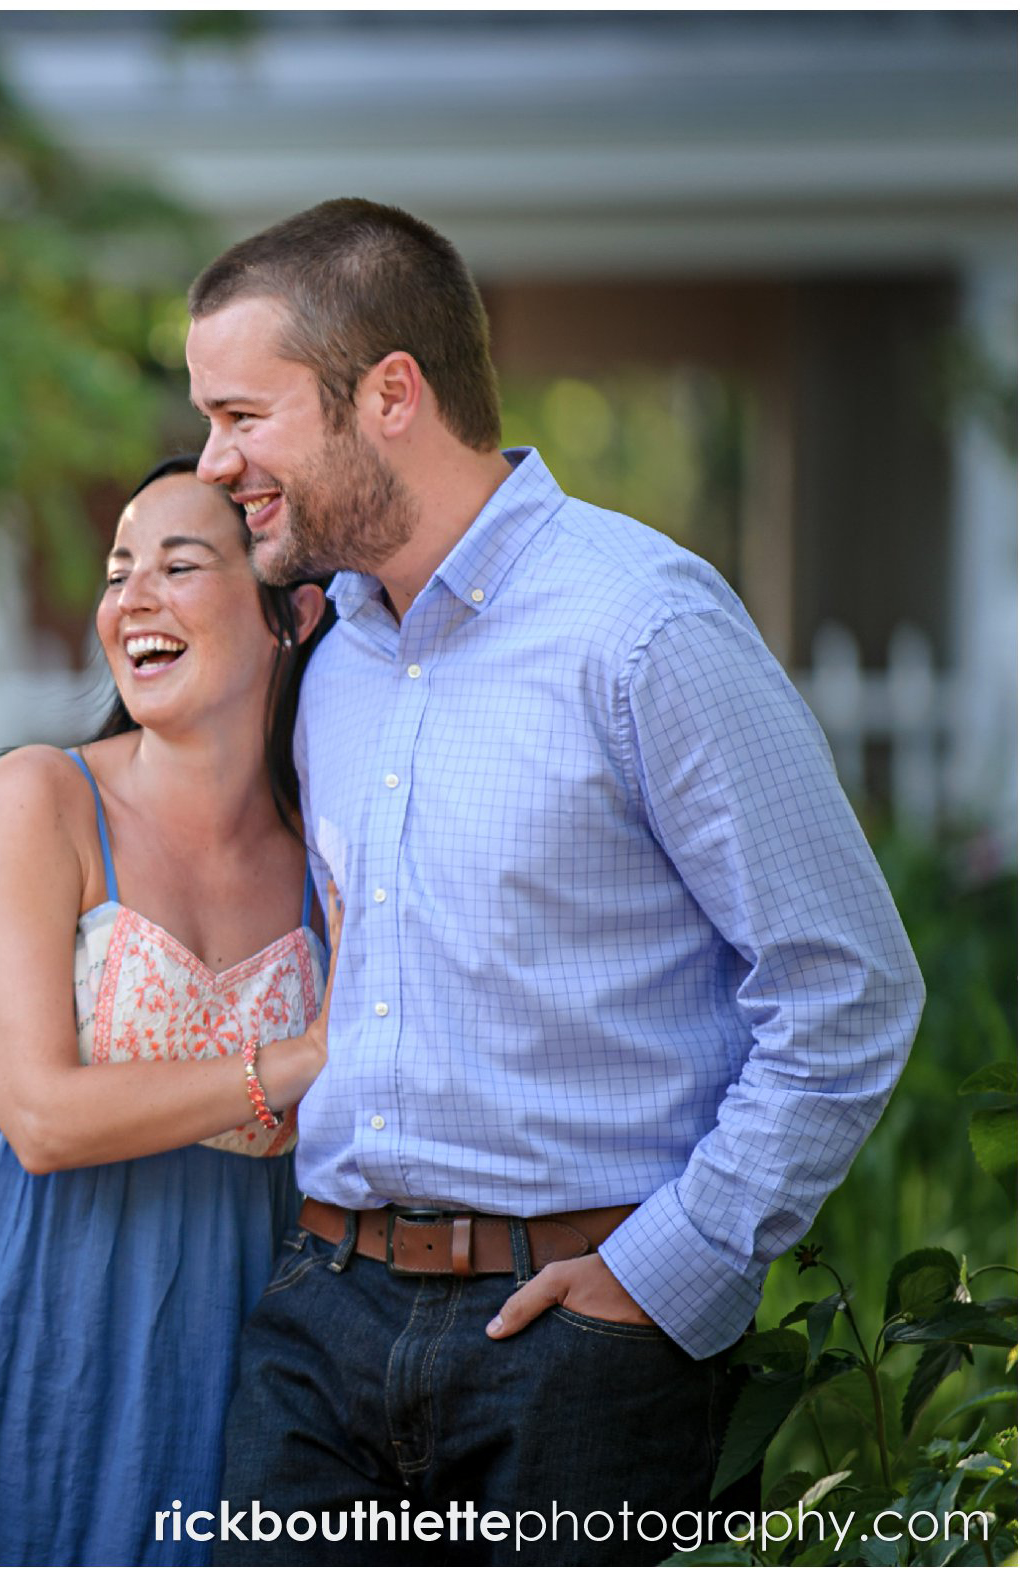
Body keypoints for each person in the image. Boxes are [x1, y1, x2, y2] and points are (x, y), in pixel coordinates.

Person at [176, 199, 925, 1565]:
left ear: (389, 394)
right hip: (320, 1318)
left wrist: (669, 1274)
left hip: (584, 1346)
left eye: (243, 416)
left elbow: (848, 988)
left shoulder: (644, 625)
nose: (214, 461)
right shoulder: (327, 651)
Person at [0, 458, 336, 1566]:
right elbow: (37, 1117)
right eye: (116, 570)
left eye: (178, 566)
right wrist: (298, 1059)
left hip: (221, 1348)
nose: (129, 597)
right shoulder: (37, 799)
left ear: (293, 609)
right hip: (6, 1314)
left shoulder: (331, 845)